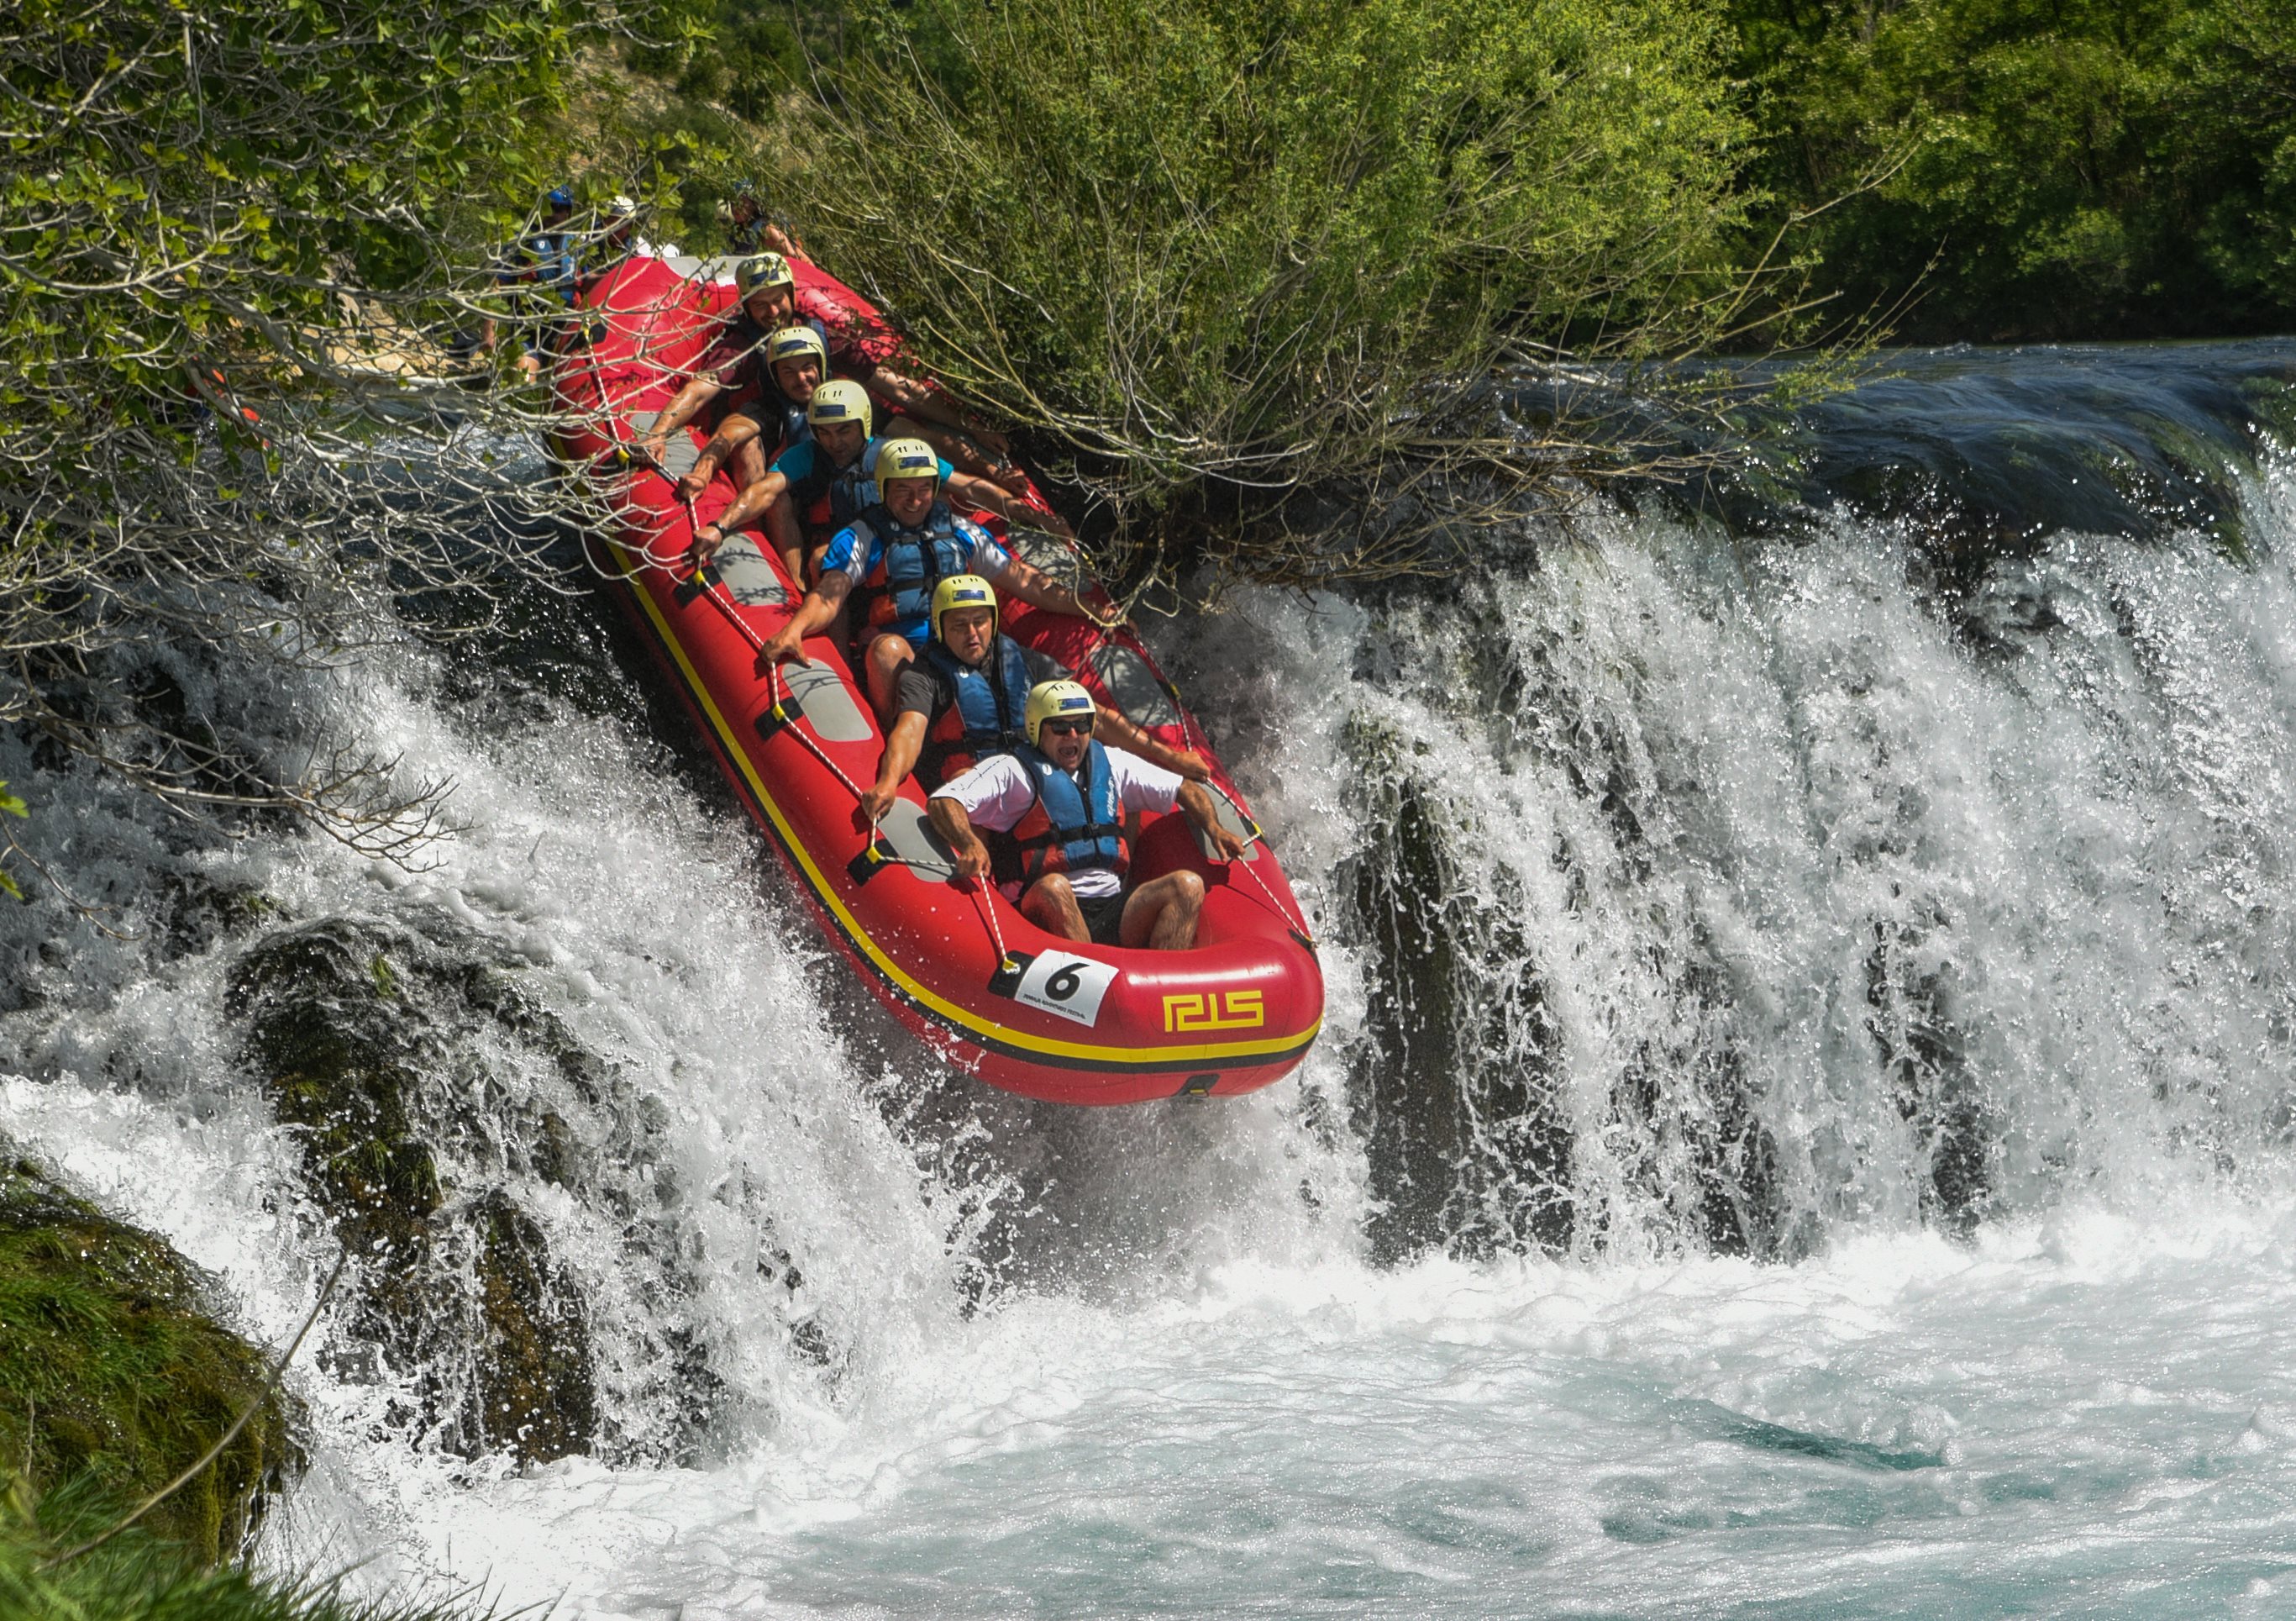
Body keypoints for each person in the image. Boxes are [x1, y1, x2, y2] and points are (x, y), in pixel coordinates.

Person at [756, 439, 1104, 722]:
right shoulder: (863, 536)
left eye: (924, 488)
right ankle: (894, 733)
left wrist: (1091, 609)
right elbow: (828, 596)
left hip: (965, 644)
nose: (915, 500)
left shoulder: (961, 531)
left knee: (1038, 676)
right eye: (903, 489)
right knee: (887, 652)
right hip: (909, 654)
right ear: (884, 489)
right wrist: (794, 630)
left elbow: (1025, 582)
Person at [928, 681, 1246, 950]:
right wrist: (969, 843)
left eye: (1081, 725)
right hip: (1037, 906)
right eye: (1061, 727)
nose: (1073, 735)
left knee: (1187, 885)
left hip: (1112, 905)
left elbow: (1184, 788)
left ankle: (1165, 988)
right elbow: (944, 801)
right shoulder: (1012, 770)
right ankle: (1094, 988)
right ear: (1037, 729)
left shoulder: (1111, 762)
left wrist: (1214, 828)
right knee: (1055, 887)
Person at [859, 576, 1206, 822]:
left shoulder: (1022, 660)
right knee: (965, 778)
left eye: (980, 622)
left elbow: (1094, 716)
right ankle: (981, 884)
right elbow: (910, 731)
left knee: (1108, 783)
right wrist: (888, 782)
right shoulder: (926, 674)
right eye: (959, 625)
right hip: (970, 779)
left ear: (993, 622)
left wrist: (1169, 756)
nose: (972, 634)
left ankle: (1114, 879)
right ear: (939, 627)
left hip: (1030, 773)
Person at [689, 382, 1074, 582]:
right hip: (849, 545)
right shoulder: (807, 455)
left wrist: (1037, 517)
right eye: (825, 432)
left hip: (900, 540)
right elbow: (764, 490)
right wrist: (720, 527)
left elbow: (969, 487)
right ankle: (830, 646)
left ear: (864, 425)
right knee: (823, 559)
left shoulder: (894, 454)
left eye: (844, 431)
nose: (835, 442)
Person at [641, 254, 817, 480]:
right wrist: (659, 431)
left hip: (814, 426)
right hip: (758, 429)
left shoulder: (816, 331)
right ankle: (756, 502)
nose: (773, 312)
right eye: (761, 305)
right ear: (747, 307)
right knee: (747, 443)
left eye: (778, 300)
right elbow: (699, 390)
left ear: (791, 295)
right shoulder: (738, 347)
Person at [481, 187, 578, 376]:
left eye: (559, 208)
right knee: (523, 379)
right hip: (528, 327)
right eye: (548, 207)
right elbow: (496, 286)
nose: (553, 214)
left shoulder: (576, 244)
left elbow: (586, 281)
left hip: (564, 329)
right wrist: (489, 332)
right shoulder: (523, 241)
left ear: (568, 211)